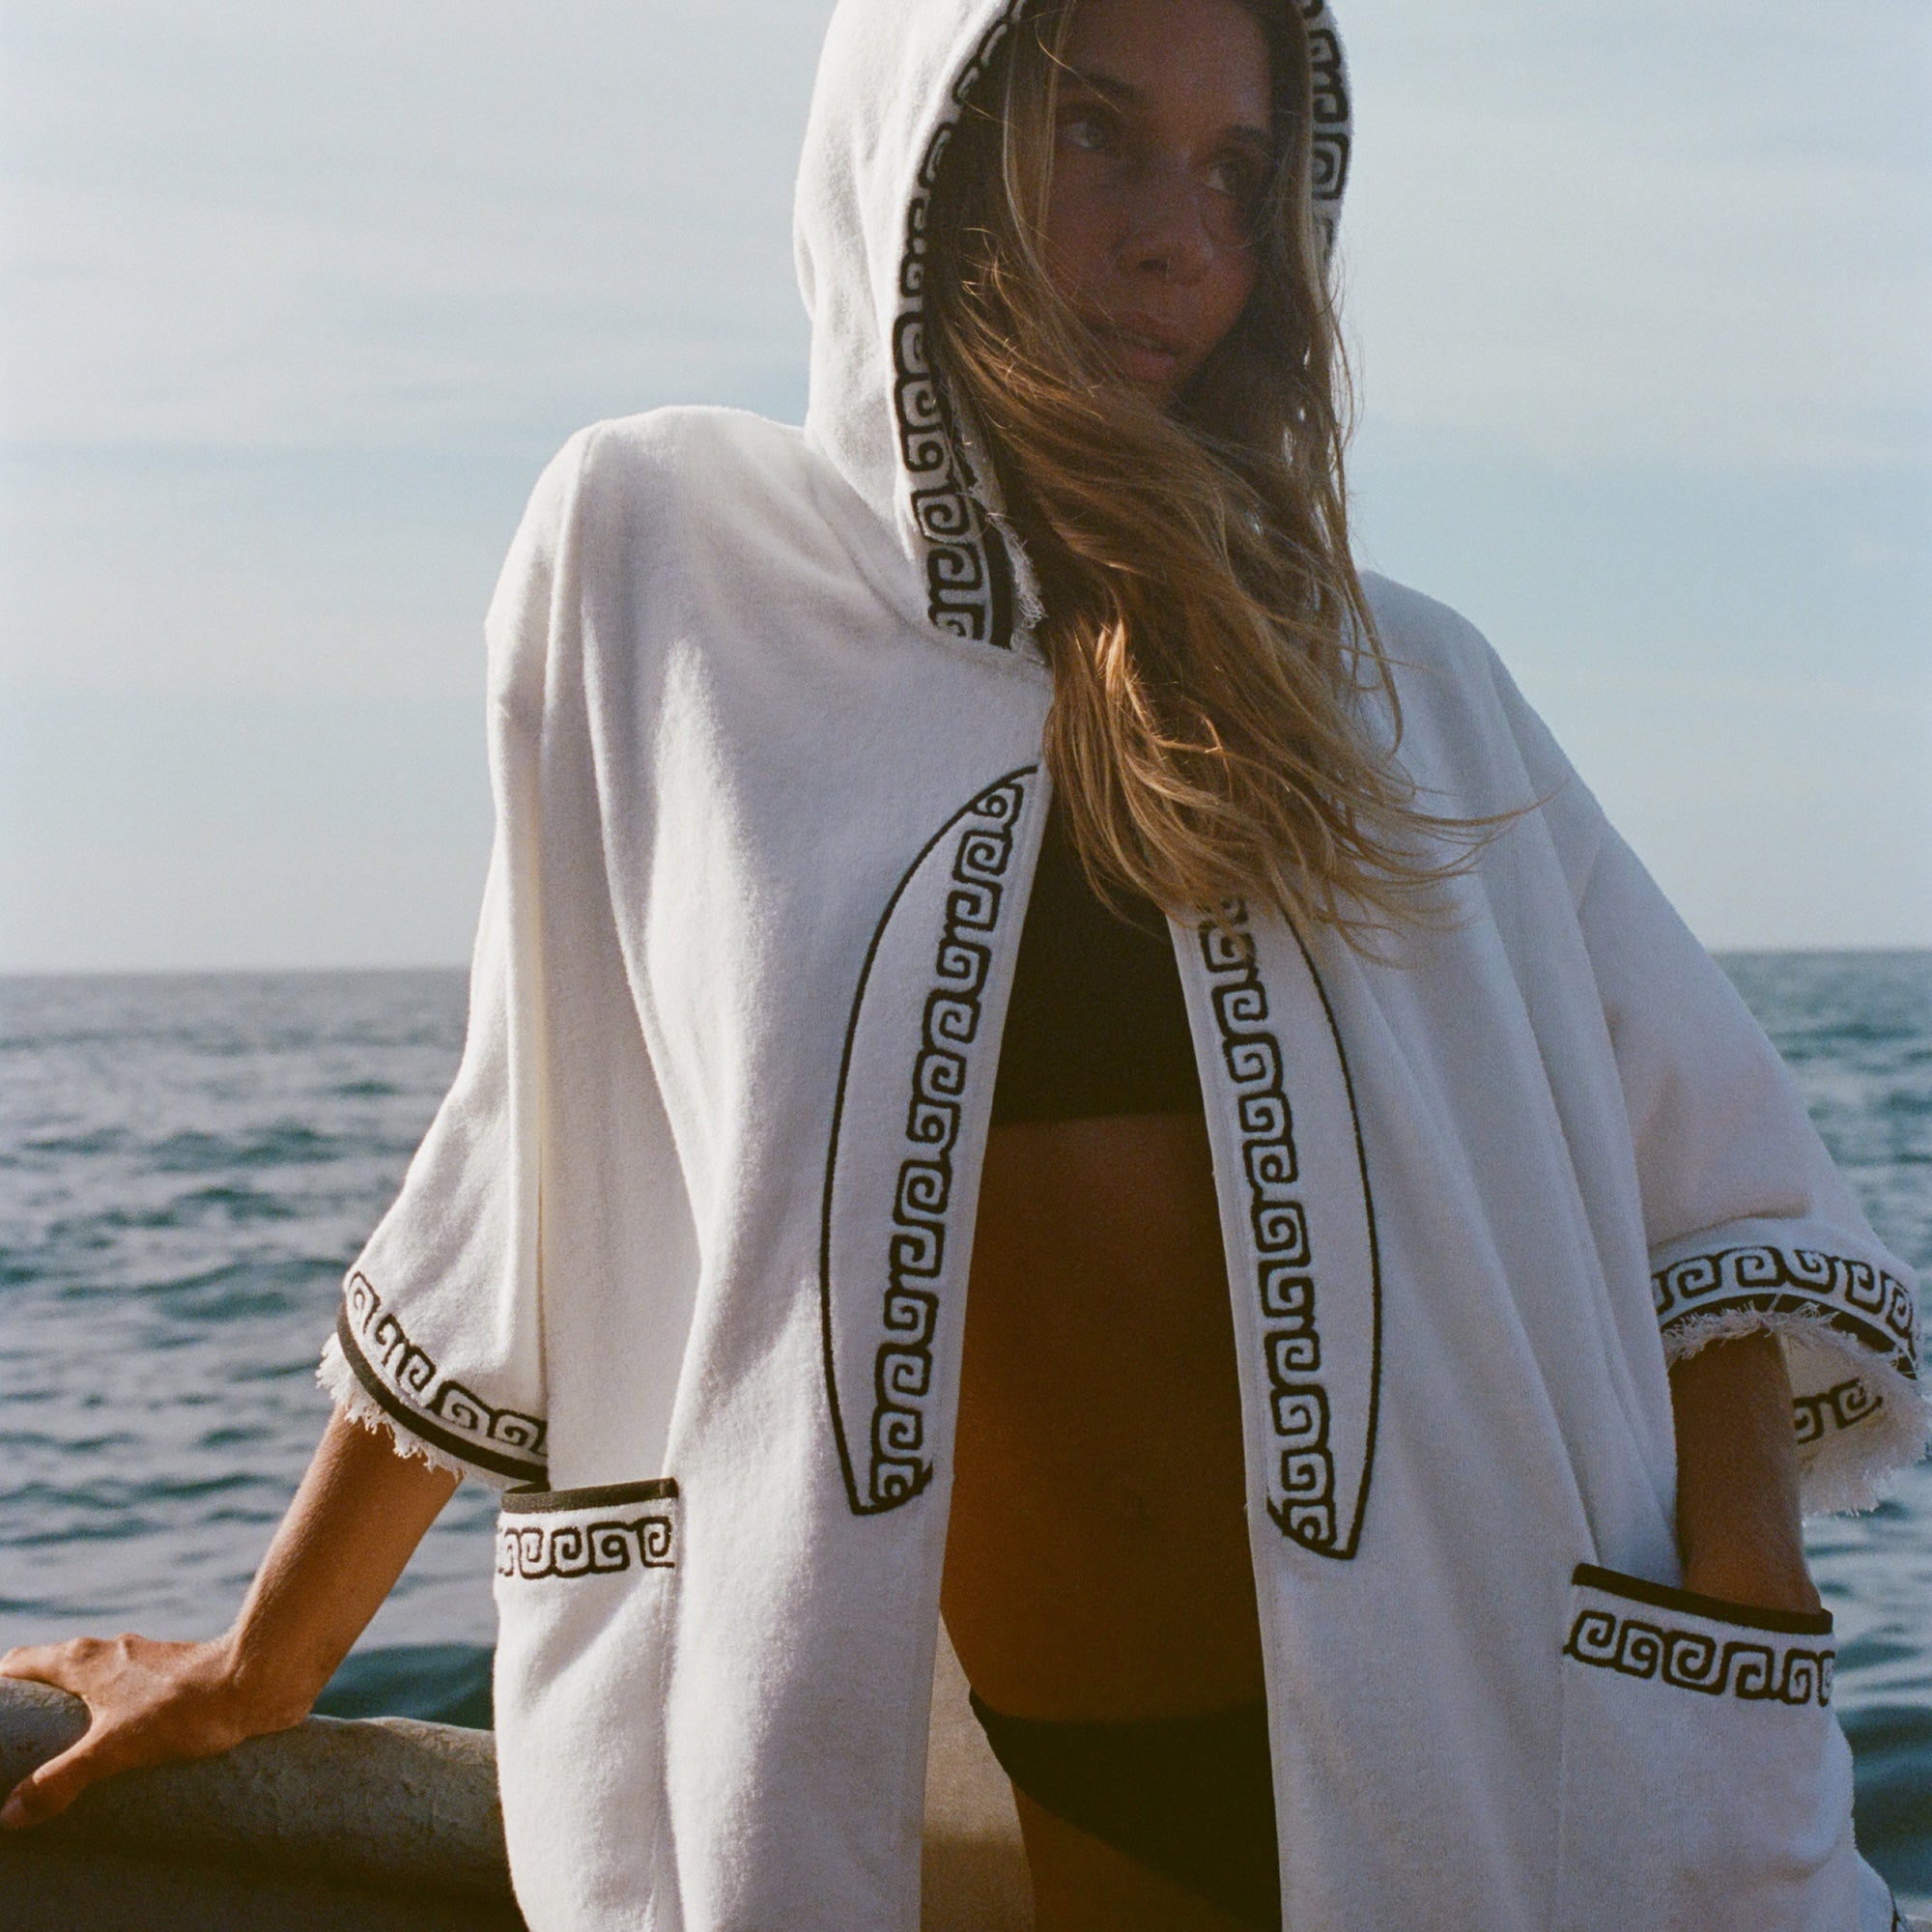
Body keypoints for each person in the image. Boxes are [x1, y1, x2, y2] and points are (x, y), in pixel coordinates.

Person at [2, 1, 1923, 1927]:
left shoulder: (1396, 684)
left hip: (1500, 1742)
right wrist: (270, 1659)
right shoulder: (666, 567)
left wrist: (1736, 1612)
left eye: (1234, 172)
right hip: (1084, 1765)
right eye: (1095, 130)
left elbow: (1717, 1188)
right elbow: (528, 1157)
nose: (1176, 235)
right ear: (916, 147)